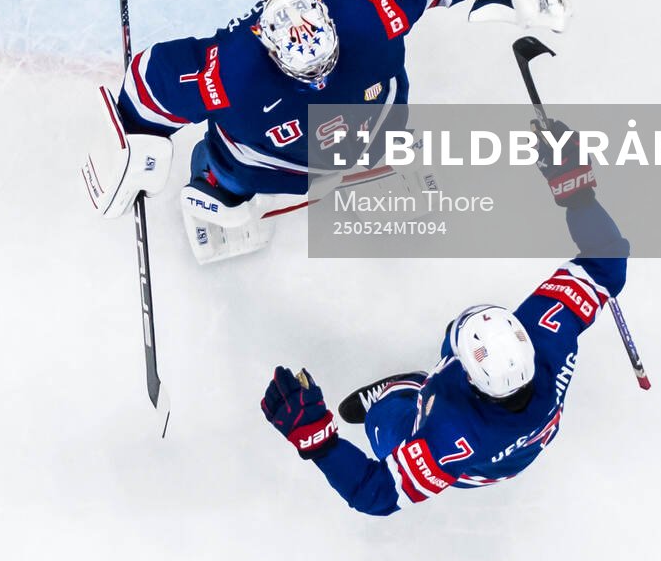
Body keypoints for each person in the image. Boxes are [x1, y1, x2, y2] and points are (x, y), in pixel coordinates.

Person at [80, 0, 572, 262]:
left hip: (375, 129)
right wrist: (134, 141)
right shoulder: (231, 67)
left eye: (324, 62)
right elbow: (153, 81)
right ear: (267, 48)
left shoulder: (365, 12)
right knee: (225, 182)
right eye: (307, 71)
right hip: (267, 162)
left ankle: (374, 167)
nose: (319, 78)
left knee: (385, 143)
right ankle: (214, 190)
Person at [257, 122, 628, 513]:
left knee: (385, 419)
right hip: (525, 434)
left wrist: (317, 440)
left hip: (478, 463)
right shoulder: (551, 329)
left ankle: (405, 390)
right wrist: (578, 193)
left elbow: (377, 494)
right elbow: (607, 260)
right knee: (459, 335)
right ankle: (422, 387)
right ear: (523, 339)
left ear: (469, 377)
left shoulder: (449, 438)